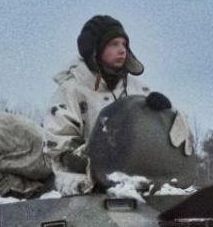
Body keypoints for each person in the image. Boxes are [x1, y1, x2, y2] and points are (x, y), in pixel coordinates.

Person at [44, 14, 172, 194]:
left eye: (124, 44)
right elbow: (59, 146)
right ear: (95, 48)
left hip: (137, 180)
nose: (122, 50)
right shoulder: (71, 91)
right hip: (83, 182)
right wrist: (100, 162)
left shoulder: (139, 90)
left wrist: (162, 115)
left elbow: (161, 141)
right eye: (114, 44)